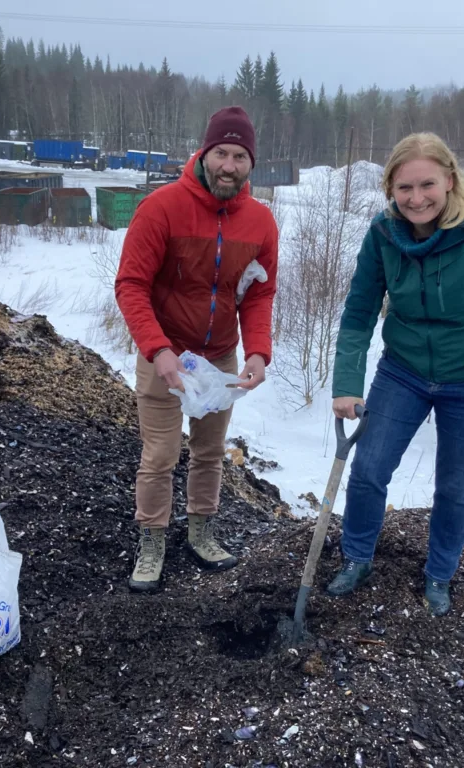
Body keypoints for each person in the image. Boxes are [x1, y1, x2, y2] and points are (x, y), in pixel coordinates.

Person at [326, 132, 464, 616]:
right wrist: (346, 385)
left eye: (427, 185)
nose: (416, 198)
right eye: (404, 188)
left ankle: (439, 574)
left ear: (450, 180)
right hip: (403, 371)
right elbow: (360, 308)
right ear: (390, 191)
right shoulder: (383, 233)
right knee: (369, 470)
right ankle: (357, 558)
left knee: (455, 486)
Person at [114, 106, 279, 593]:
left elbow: (260, 291)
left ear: (252, 163)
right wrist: (158, 351)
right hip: (164, 355)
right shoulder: (162, 207)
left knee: (209, 452)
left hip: (220, 358)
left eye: (240, 156)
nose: (229, 165)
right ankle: (152, 539)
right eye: (221, 153)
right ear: (205, 153)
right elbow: (130, 285)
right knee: (161, 454)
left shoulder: (260, 221)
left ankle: (201, 530)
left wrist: (258, 352)